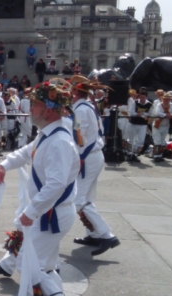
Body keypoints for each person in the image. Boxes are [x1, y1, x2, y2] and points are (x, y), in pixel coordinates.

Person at [0, 80, 84, 296]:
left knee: (28, 264)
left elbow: (55, 185)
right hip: (48, 214)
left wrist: (30, 212)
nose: (31, 109)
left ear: (50, 110)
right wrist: (3, 164)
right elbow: (25, 152)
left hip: (52, 214)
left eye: (36, 105)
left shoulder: (59, 142)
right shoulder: (48, 135)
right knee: (47, 265)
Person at [68, 75, 120, 256]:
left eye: (71, 91)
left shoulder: (81, 110)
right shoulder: (87, 106)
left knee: (78, 199)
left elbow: (77, 136)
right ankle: (94, 234)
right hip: (93, 155)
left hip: (88, 156)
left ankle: (106, 234)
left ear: (76, 92)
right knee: (86, 197)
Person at [150, 92, 172, 162]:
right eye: (165, 99)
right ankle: (156, 156)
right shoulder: (159, 105)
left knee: (162, 141)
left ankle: (160, 155)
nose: (166, 101)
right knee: (157, 141)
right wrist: (167, 115)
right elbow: (158, 113)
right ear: (163, 99)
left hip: (165, 125)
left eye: (168, 99)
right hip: (157, 125)